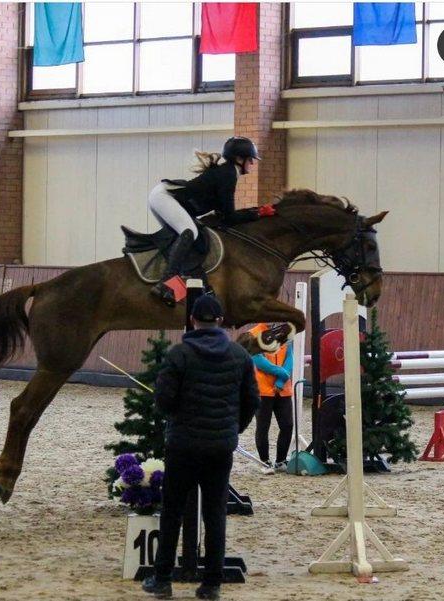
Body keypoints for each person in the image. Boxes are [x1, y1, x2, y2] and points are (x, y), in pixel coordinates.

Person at [142, 294, 260, 600]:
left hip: (182, 445)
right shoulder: (239, 355)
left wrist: (176, 415)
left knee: (172, 512)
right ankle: (211, 584)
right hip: (220, 447)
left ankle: (163, 578)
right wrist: (233, 429)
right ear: (220, 321)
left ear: (193, 320)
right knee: (215, 512)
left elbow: (164, 400)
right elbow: (252, 401)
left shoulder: (179, 354)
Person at [148, 136, 274, 306]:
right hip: (164, 197)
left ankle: (180, 292)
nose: (252, 163)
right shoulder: (228, 174)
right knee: (189, 232)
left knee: (196, 243)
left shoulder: (227, 172)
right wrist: (257, 214)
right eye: (250, 159)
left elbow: (225, 214)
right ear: (239, 159)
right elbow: (230, 217)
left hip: (165, 197)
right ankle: (165, 283)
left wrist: (255, 212)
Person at [248, 323, 294, 475]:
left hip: (283, 389)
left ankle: (280, 461)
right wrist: (281, 373)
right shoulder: (253, 334)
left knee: (287, 425)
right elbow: (257, 360)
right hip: (262, 389)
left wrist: (281, 381)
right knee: (263, 426)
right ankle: (264, 461)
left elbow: (289, 358)